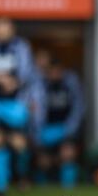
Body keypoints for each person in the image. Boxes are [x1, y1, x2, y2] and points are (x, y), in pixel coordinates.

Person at [0, 17, 34, 196]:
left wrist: (14, 81)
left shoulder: (21, 47)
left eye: (4, 27)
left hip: (15, 104)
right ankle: (1, 186)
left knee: (19, 144)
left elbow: (25, 74)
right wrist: (0, 79)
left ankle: (23, 175)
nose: (1, 31)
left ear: (11, 29)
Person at [34, 57, 84, 188]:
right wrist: (39, 135)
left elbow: (78, 108)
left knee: (67, 153)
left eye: (58, 71)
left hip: (66, 128)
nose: (55, 74)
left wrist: (69, 130)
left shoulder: (70, 84)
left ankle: (68, 187)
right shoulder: (41, 86)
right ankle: (42, 186)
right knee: (43, 159)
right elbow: (36, 112)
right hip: (46, 129)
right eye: (52, 71)